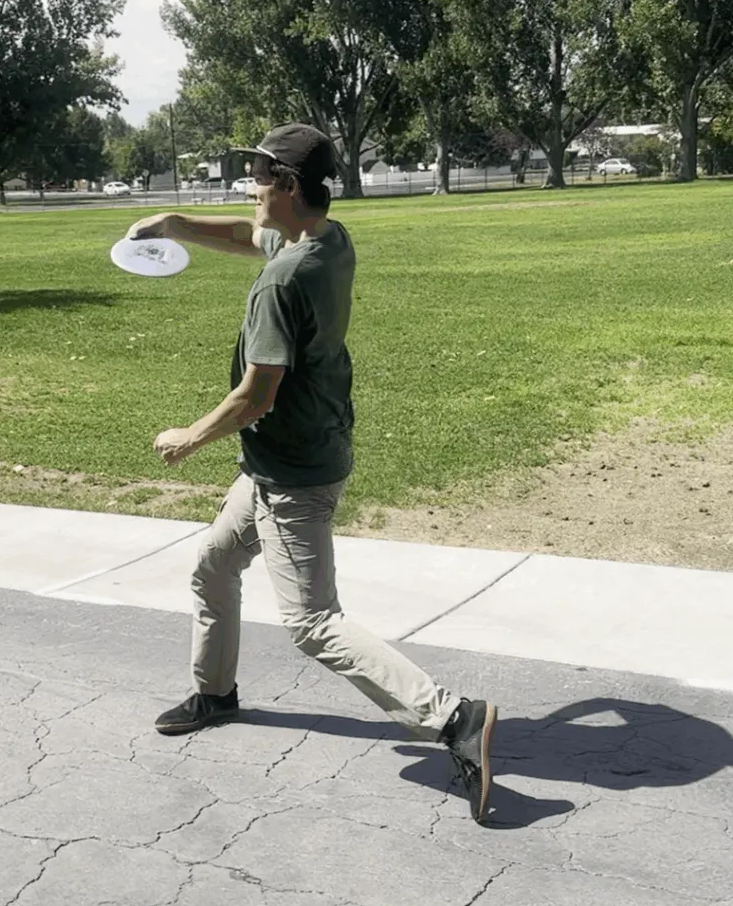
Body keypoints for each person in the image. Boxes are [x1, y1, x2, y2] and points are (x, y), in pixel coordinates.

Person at [126, 122, 498, 823]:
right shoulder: (327, 241)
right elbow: (247, 235)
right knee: (212, 563)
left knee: (314, 622)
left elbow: (257, 394)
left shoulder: (282, 284)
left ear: (290, 186)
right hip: (293, 453)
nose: (251, 189)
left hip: (291, 472)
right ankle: (216, 692)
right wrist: (175, 223)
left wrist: (188, 438)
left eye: (261, 178)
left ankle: (455, 718)